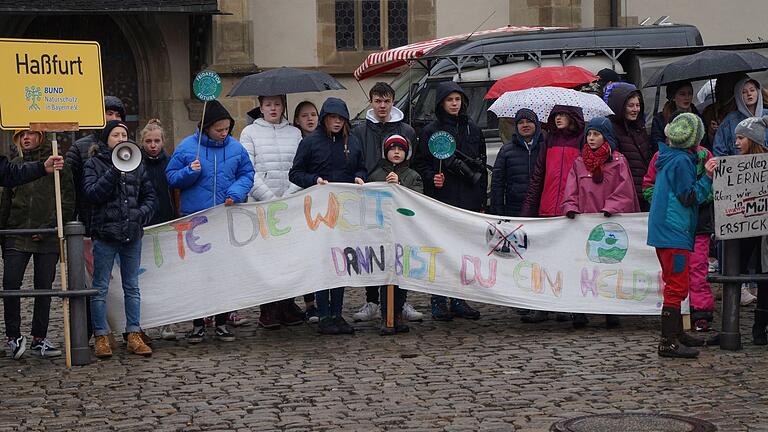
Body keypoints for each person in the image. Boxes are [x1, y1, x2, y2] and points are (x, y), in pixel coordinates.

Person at [166, 100, 255, 344]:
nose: (224, 133)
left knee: (223, 272)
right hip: (197, 220)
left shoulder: (236, 149)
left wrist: (236, 193)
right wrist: (189, 173)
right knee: (199, 274)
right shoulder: (187, 147)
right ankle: (197, 323)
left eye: (227, 129)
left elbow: (247, 174)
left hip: (224, 217)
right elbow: (172, 177)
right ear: (206, 128)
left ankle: (222, 322)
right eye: (219, 130)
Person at [289, 97, 365, 335]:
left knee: (340, 262)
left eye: (341, 118)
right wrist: (314, 180)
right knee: (323, 262)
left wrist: (359, 177)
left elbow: (360, 166)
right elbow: (295, 173)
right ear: (324, 119)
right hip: (319, 213)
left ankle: (337, 313)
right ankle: (323, 314)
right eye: (333, 118)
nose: (337, 122)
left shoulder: (352, 141)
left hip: (344, 211)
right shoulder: (311, 143)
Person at [412, 81, 487, 321]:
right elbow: (420, 163)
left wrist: (481, 199)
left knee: (462, 251)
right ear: (441, 103)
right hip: (441, 198)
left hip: (467, 198)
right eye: (449, 100)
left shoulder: (472, 129)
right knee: (440, 248)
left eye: (457, 100)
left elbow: (481, 164)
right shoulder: (430, 131)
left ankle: (458, 298)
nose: (454, 104)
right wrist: (431, 177)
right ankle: (438, 299)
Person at [83, 120, 156, 358]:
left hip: (131, 234)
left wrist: (140, 215)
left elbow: (150, 196)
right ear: (106, 139)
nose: (121, 138)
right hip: (105, 235)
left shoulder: (137, 164)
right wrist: (114, 170)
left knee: (132, 287)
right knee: (100, 287)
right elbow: (93, 194)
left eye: (124, 134)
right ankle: (101, 336)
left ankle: (133, 333)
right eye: (116, 135)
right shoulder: (94, 164)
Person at [350, 82, 422, 324]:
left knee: (400, 249)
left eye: (387, 101)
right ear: (371, 102)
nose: (382, 106)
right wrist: (362, 177)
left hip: (398, 194)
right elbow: (357, 160)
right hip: (371, 194)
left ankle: (401, 301)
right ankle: (372, 300)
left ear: (393, 102)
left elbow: (412, 163)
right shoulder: (359, 130)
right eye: (378, 101)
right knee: (374, 249)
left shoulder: (406, 130)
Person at [646, 113, 716, 358]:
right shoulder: (682, 162)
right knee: (676, 285)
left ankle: (676, 334)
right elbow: (690, 196)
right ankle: (668, 342)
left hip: (665, 230)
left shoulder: (669, 156)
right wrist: (707, 177)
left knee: (676, 282)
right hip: (673, 231)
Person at [1, 130, 75, 360]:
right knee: (11, 284)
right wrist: (3, 234)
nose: (25, 138)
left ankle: (39, 338)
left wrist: (48, 227)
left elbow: (67, 201)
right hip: (17, 232)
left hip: (47, 235)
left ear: (41, 136)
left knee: (44, 287)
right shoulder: (13, 165)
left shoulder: (60, 165)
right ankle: (13, 335)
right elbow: (5, 202)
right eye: (21, 134)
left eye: (30, 133)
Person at [562, 117, 640, 329]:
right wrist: (570, 207)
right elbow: (571, 190)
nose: (591, 138)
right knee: (582, 269)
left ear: (606, 136)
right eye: (589, 134)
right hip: (584, 225)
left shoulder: (618, 161)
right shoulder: (579, 163)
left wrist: (611, 207)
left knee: (608, 268)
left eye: (596, 134)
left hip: (609, 224)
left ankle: (610, 310)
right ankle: (580, 310)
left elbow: (624, 191)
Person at [239, 94, 305, 330]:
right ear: (261, 106)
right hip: (262, 203)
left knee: (288, 257)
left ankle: (287, 304)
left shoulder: (294, 133)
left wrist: (288, 196)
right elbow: (248, 169)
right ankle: (268, 308)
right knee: (267, 258)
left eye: (277, 104)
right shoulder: (250, 134)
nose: (273, 108)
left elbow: (301, 166)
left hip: (290, 202)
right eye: (268, 105)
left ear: (283, 105)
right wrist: (269, 197)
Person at [519, 105, 584, 323]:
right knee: (545, 260)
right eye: (556, 115)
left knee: (568, 260)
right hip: (547, 208)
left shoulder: (581, 141)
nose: (558, 119)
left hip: (571, 210)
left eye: (563, 115)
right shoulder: (548, 141)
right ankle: (543, 305)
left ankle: (565, 304)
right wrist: (528, 209)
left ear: (573, 117)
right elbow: (538, 176)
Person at [367, 134, 423, 335]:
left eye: (400, 149)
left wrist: (400, 186)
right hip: (382, 234)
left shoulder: (413, 176)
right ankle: (385, 314)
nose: (396, 152)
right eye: (392, 149)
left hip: (404, 233)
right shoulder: (375, 175)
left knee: (400, 275)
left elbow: (417, 200)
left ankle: (398, 312)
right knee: (386, 276)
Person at [138, 119, 178, 341]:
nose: (153, 145)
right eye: (148, 141)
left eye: (157, 141)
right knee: (145, 277)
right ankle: (143, 322)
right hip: (144, 223)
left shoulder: (170, 162)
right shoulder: (137, 163)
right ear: (142, 142)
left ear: (163, 141)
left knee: (165, 275)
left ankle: (166, 322)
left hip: (166, 220)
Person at [732, 115, 768, 345]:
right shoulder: (735, 164)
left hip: (763, 230)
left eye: (741, 138)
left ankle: (760, 326)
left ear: (752, 140)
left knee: (765, 277)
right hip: (742, 227)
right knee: (734, 272)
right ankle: (730, 325)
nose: (736, 142)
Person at [291, 100, 321, 320]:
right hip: (297, 201)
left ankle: (317, 302)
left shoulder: (324, 140)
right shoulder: (295, 140)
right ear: (296, 120)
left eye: (313, 114)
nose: (310, 119)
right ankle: (307, 301)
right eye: (304, 116)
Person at [605, 83, 653, 210]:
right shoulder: (612, 129)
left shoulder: (639, 128)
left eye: (638, 105)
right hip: (625, 193)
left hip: (643, 190)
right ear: (620, 107)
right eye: (630, 106)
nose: (635, 109)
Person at [491, 108, 543, 217]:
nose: (525, 125)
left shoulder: (546, 148)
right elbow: (497, 184)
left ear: (536, 124)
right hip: (514, 210)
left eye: (529, 121)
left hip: (541, 209)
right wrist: (498, 212)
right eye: (520, 122)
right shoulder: (506, 150)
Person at [713, 77, 768, 156]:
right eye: (744, 92)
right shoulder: (730, 121)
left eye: (752, 90)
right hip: (740, 167)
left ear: (758, 92)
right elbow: (719, 151)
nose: (749, 94)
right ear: (738, 95)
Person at [651, 81, 707, 148]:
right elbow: (657, 145)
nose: (687, 97)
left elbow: (704, 141)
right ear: (673, 97)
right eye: (682, 94)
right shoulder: (660, 119)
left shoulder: (697, 116)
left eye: (690, 93)